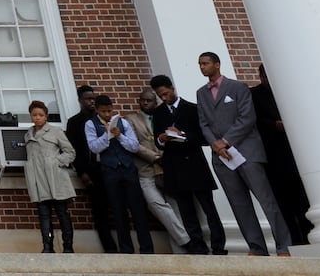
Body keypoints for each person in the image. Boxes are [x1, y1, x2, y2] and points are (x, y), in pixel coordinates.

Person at [196, 51, 293, 256]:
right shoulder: (201, 93)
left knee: (266, 201)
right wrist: (216, 145)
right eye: (200, 64)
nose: (202, 67)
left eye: (205, 63)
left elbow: (247, 117)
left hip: (246, 151)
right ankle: (256, 247)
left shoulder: (238, 87)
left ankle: (284, 245)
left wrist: (226, 141)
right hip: (221, 157)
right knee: (239, 204)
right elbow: (203, 123)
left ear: (217, 64)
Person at [149, 72, 227, 255]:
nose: (164, 98)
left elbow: (204, 138)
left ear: (172, 89)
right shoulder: (158, 113)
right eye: (160, 96)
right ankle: (198, 246)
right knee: (186, 210)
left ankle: (218, 246)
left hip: (194, 164)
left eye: (166, 94)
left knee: (209, 208)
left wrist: (182, 135)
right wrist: (162, 139)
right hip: (174, 166)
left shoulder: (192, 108)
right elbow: (156, 141)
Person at [253, 64, 313, 244]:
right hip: (273, 157)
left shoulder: (289, 91)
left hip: (297, 156)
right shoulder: (254, 94)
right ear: (261, 76)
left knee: (303, 202)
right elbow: (254, 121)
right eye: (266, 76)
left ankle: (308, 237)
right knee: (283, 204)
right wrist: (273, 125)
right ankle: (294, 241)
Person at [85, 94, 153, 253]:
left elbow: (134, 146)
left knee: (138, 210)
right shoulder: (90, 124)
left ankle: (147, 249)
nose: (107, 114)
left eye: (109, 111)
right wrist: (106, 136)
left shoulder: (122, 122)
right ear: (97, 110)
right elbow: (94, 147)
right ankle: (127, 250)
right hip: (109, 171)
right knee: (118, 211)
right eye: (103, 111)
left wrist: (119, 135)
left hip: (128, 168)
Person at [130, 87, 192, 252]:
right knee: (156, 205)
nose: (145, 102)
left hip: (167, 169)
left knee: (175, 208)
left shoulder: (162, 116)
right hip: (146, 170)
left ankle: (181, 252)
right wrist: (156, 157)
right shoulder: (130, 120)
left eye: (149, 100)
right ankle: (186, 240)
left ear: (155, 102)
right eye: (142, 99)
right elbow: (133, 145)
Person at [65, 83, 117, 252]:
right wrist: (82, 172)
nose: (91, 102)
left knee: (117, 207)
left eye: (93, 99)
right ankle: (110, 248)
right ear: (80, 101)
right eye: (87, 99)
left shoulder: (104, 119)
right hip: (92, 171)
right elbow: (74, 149)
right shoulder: (74, 122)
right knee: (100, 211)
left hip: (110, 168)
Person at [22, 99, 75, 253]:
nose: (37, 118)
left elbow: (70, 152)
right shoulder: (28, 135)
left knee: (62, 214)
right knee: (44, 215)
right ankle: (47, 247)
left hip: (55, 178)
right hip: (38, 180)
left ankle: (68, 247)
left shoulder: (55, 132)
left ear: (46, 116)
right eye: (34, 115)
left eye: (40, 115)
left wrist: (56, 163)